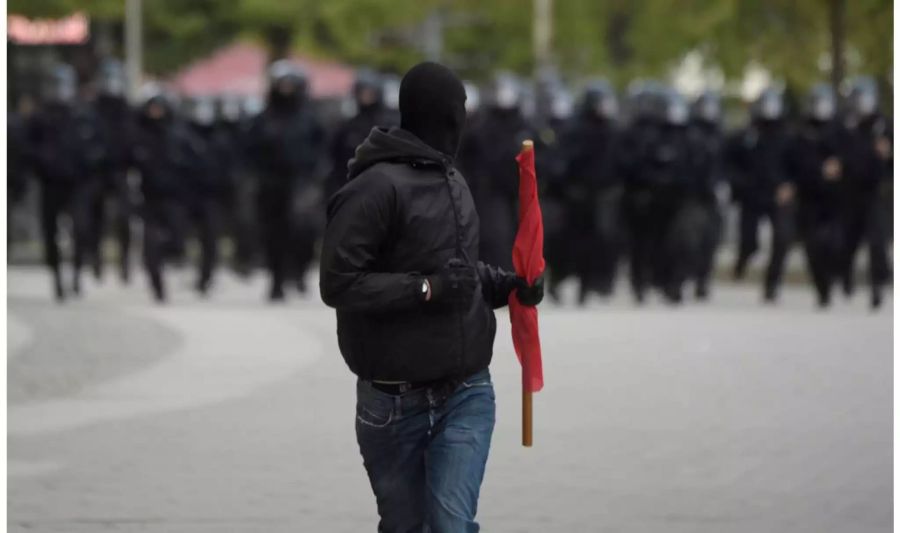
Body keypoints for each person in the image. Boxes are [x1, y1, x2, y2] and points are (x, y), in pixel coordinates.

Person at [319, 61, 544, 532]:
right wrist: (426, 289)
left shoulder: (453, 179)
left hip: (466, 390)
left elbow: (460, 274)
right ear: (442, 115)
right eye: (458, 110)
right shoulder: (373, 188)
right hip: (392, 404)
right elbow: (338, 282)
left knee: (449, 524)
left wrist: (509, 285)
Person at [246, 61, 325, 301]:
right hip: (270, 184)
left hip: (301, 183)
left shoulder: (310, 119)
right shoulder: (262, 119)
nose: (286, 89)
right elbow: (250, 150)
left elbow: (322, 150)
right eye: (282, 84)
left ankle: (299, 273)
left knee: (302, 232)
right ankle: (276, 281)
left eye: (291, 85)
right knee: (272, 234)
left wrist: (315, 177)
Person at [27, 64, 99, 301]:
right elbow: (29, 149)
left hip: (78, 182)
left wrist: (88, 166)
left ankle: (77, 274)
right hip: (51, 183)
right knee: (51, 232)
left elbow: (95, 146)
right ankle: (57, 277)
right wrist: (43, 165)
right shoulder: (40, 117)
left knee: (81, 228)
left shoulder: (82, 114)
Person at [129, 91, 202, 302]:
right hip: (149, 198)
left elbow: (195, 165)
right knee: (150, 245)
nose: (156, 113)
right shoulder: (140, 137)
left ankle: (169, 254)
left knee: (177, 242)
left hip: (176, 198)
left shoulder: (180, 136)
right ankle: (157, 286)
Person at [555, 80, 624, 303]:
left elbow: (620, 163)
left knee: (600, 240)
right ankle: (559, 278)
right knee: (570, 241)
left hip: (602, 195)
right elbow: (563, 162)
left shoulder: (613, 130)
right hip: (576, 195)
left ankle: (589, 285)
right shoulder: (574, 129)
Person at [725, 87, 795, 302]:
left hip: (778, 195)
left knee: (782, 240)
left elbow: (799, 165)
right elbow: (729, 163)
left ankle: (771, 285)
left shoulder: (787, 137)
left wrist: (790, 185)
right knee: (749, 241)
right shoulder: (745, 136)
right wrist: (740, 184)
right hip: (751, 195)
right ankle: (742, 261)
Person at [787, 84, 846, 308]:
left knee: (835, 243)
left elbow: (852, 158)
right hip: (809, 198)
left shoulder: (840, 131)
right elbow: (796, 165)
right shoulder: (801, 133)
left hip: (836, 200)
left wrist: (841, 167)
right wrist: (820, 170)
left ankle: (833, 280)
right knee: (813, 247)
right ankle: (822, 289)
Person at [840, 76, 892, 309]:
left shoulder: (885, 126)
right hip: (851, 193)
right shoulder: (846, 128)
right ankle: (846, 277)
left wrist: (888, 155)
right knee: (849, 242)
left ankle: (877, 287)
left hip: (876, 194)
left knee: (877, 242)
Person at [90, 59, 136, 283]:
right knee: (95, 217)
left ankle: (125, 261)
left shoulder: (127, 111)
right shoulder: (94, 109)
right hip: (97, 171)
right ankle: (95, 257)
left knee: (124, 218)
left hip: (121, 171)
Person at [325, 69, 395, 201]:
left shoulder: (388, 126)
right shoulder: (346, 126)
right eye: (362, 92)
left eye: (370, 93)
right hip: (349, 186)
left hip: (381, 189)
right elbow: (334, 158)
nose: (365, 96)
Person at [686, 89, 726, 300]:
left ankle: (703, 281)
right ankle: (686, 276)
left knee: (710, 241)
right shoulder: (689, 133)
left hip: (713, 196)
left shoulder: (720, 135)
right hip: (692, 195)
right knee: (690, 240)